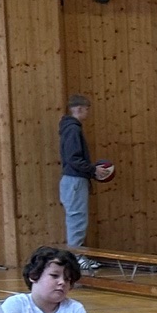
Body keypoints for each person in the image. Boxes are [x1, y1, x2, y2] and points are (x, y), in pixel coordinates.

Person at [59, 95, 111, 256]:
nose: (88, 113)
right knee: (77, 219)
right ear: (79, 108)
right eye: (87, 109)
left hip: (74, 180)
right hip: (75, 180)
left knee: (77, 219)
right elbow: (73, 158)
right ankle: (76, 257)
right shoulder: (73, 129)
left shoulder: (70, 128)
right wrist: (93, 169)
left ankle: (77, 255)